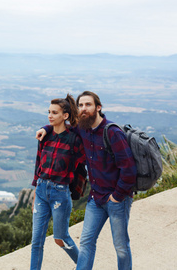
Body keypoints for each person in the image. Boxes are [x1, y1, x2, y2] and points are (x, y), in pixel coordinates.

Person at [36, 91, 137, 270]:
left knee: (120, 246)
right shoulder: (82, 129)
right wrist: (46, 127)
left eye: (88, 105)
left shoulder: (112, 132)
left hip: (116, 199)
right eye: (81, 105)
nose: (84, 109)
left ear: (98, 107)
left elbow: (129, 169)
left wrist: (116, 196)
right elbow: (60, 126)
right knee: (86, 243)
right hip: (96, 199)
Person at [30, 94, 86, 270]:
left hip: (60, 194)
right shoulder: (44, 136)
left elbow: (86, 156)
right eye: (49, 112)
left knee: (61, 238)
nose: (50, 116)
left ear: (65, 116)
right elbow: (38, 165)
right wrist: (34, 195)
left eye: (54, 113)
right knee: (36, 241)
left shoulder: (74, 140)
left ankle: (84, 266)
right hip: (41, 191)